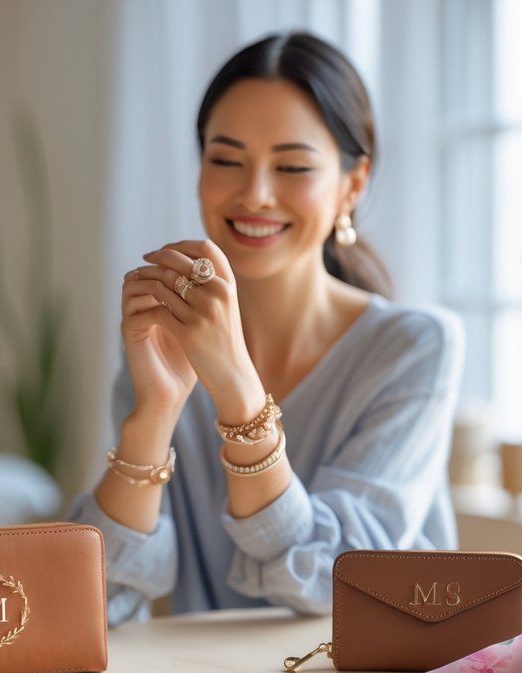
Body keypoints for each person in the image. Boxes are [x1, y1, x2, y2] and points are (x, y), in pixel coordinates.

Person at [69, 31, 464, 625]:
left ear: (351, 186)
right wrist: (153, 412)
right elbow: (93, 600)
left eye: (293, 166)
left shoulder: (415, 348)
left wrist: (235, 389)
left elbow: (341, 581)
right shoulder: (167, 342)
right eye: (226, 160)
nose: (255, 194)